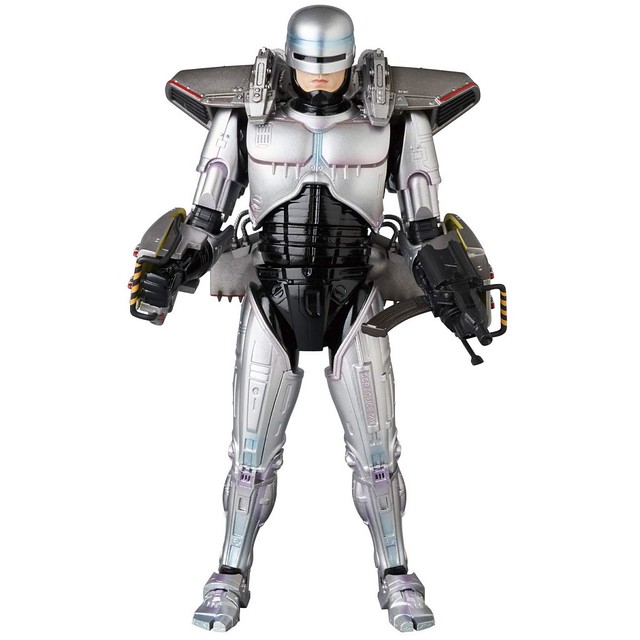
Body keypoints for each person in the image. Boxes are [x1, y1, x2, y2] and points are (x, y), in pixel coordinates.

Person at [130, 4, 492, 632]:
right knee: (250, 456)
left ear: (350, 57)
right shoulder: (243, 112)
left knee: (378, 456)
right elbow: (206, 215)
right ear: (289, 56)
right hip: (270, 289)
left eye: (331, 64)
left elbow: (424, 224)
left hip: (358, 294)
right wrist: (166, 274)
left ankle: (397, 574)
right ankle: (229, 573)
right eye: (309, 63)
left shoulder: (398, 114)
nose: (320, 76)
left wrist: (458, 295)